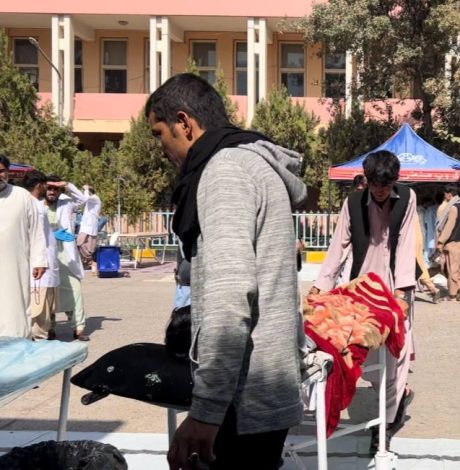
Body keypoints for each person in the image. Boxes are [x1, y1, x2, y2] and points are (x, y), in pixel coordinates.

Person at [147, 73, 306, 470]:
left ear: (184, 123)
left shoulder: (225, 170)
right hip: (263, 386)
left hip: (243, 397)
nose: (161, 148)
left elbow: (230, 295)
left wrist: (206, 411)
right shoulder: (252, 164)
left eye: (159, 134)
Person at [310, 150, 417, 453]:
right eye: (375, 184)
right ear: (366, 180)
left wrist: (402, 293)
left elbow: (406, 243)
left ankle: (386, 424)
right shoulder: (353, 203)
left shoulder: (407, 198)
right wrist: (320, 286)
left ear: (395, 181)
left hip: (395, 285)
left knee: (396, 354)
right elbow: (338, 246)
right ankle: (390, 397)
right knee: (357, 348)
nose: (380, 190)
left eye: (386, 185)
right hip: (361, 286)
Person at [0, 155, 47, 338]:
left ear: (7, 172)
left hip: (15, 266)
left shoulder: (21, 196)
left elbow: (35, 230)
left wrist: (39, 260)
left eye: (1, 171)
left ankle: (18, 341)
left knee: (15, 306)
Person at [45, 175, 91, 341]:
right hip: (46, 254)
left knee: (74, 290)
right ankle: (49, 328)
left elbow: (83, 199)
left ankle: (78, 328)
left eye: (56, 189)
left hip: (65, 255)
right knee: (49, 292)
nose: (52, 191)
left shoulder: (66, 203)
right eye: (49, 188)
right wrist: (52, 235)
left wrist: (67, 184)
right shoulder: (37, 204)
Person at [22, 171, 60, 340]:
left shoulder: (36, 205)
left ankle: (45, 335)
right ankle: (39, 341)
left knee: (48, 307)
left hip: (47, 265)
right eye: (46, 185)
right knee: (40, 310)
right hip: (40, 267)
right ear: (39, 185)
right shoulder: (34, 206)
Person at [436, 185, 460, 301]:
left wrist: (441, 241)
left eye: (445, 194)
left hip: (453, 242)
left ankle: (453, 295)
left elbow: (449, 226)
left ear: (450, 194)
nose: (444, 196)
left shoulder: (453, 208)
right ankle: (459, 287)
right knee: (450, 267)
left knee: (452, 269)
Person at [76, 185, 102, 270]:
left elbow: (85, 198)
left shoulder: (95, 198)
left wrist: (86, 189)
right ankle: (89, 263)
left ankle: (91, 263)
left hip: (90, 227)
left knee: (87, 247)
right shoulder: (91, 200)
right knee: (80, 244)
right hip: (86, 227)